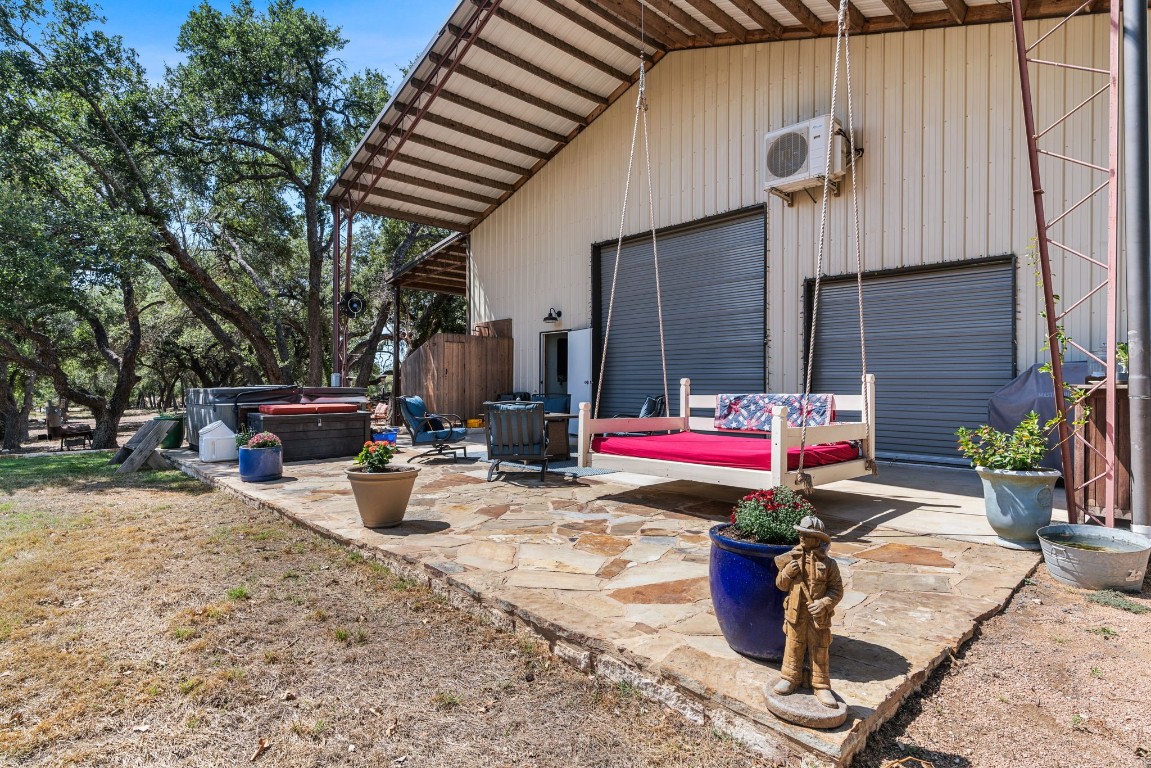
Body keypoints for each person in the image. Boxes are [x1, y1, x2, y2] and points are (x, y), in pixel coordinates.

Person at [772, 515, 843, 708]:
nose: (802, 537)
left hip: (818, 615)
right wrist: (787, 573)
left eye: (807, 534)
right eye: (801, 533)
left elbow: (837, 590)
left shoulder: (829, 564)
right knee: (793, 645)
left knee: (820, 647)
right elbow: (780, 585)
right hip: (796, 612)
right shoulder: (791, 558)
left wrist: (823, 604)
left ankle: (821, 685)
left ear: (818, 538)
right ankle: (789, 677)